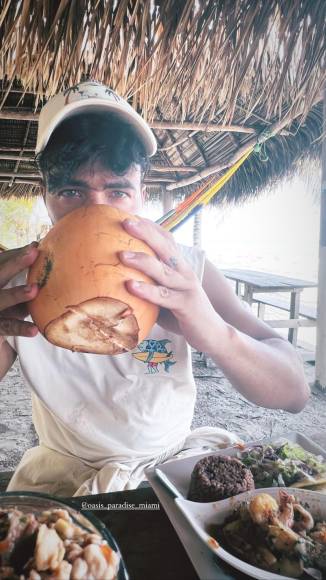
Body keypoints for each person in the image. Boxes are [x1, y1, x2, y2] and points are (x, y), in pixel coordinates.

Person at [0, 81, 310, 496]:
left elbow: (294, 393)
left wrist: (215, 333)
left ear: (142, 194)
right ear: (46, 197)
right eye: (72, 191)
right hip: (68, 479)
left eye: (117, 191)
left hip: (170, 474)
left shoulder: (186, 271)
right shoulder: (17, 286)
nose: (97, 209)